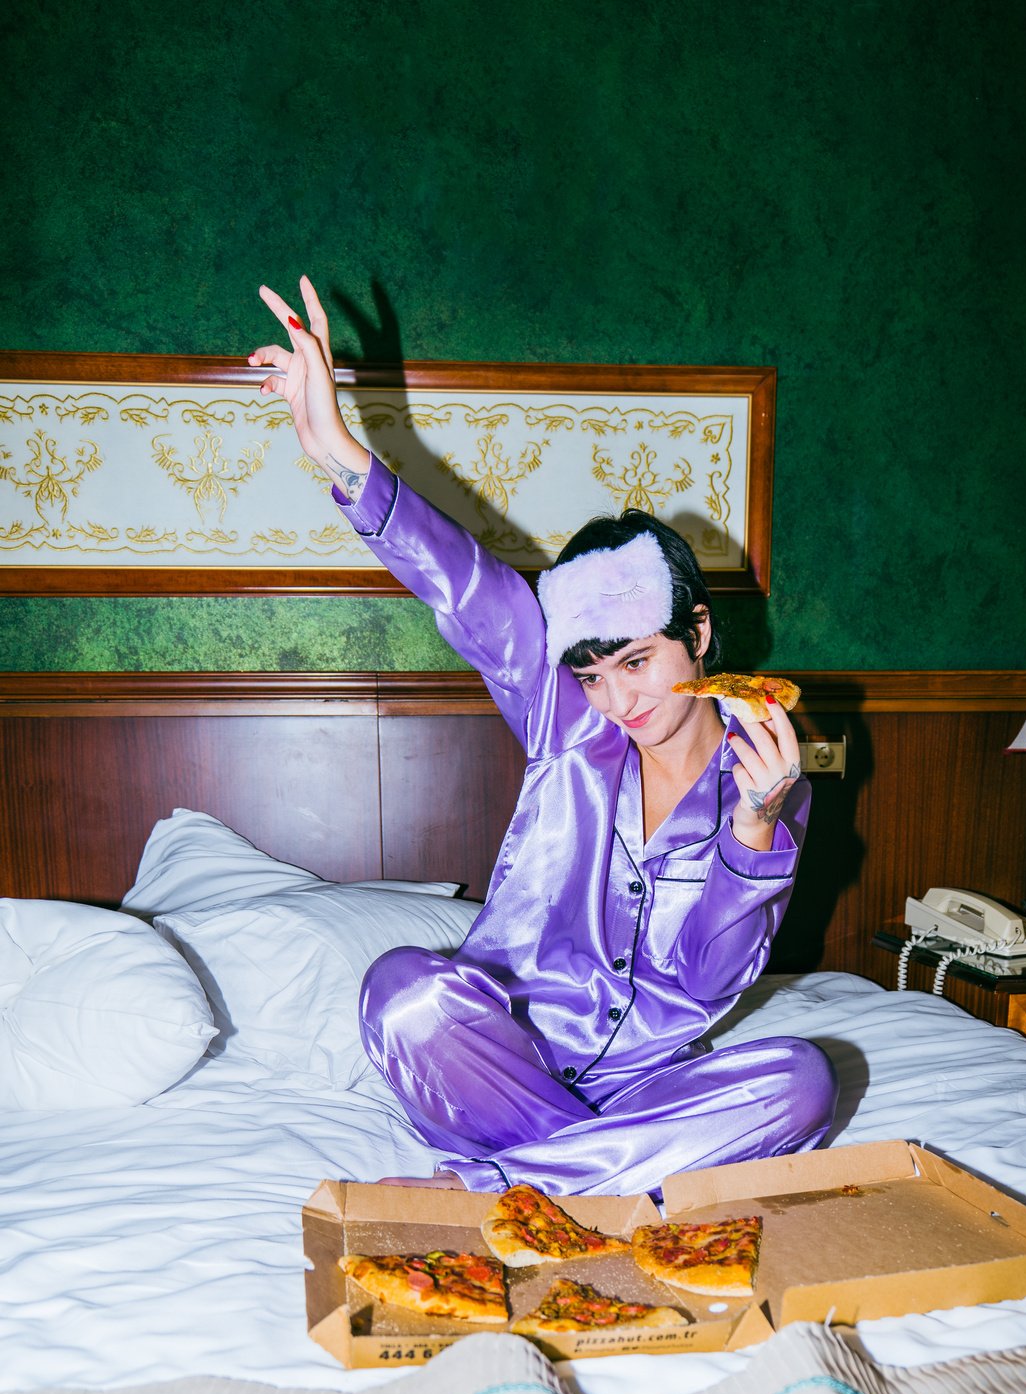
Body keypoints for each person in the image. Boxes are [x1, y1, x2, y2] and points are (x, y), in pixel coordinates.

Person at [249, 277, 839, 1197]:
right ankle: (601, 1175)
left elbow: (707, 981)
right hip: (492, 1065)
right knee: (401, 992)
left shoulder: (765, 778)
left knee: (803, 1079)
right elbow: (469, 590)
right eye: (591, 673)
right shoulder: (568, 727)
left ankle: (499, 1188)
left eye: (636, 661)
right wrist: (336, 448)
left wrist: (756, 830)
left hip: (643, 1087)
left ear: (697, 632)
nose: (617, 698)